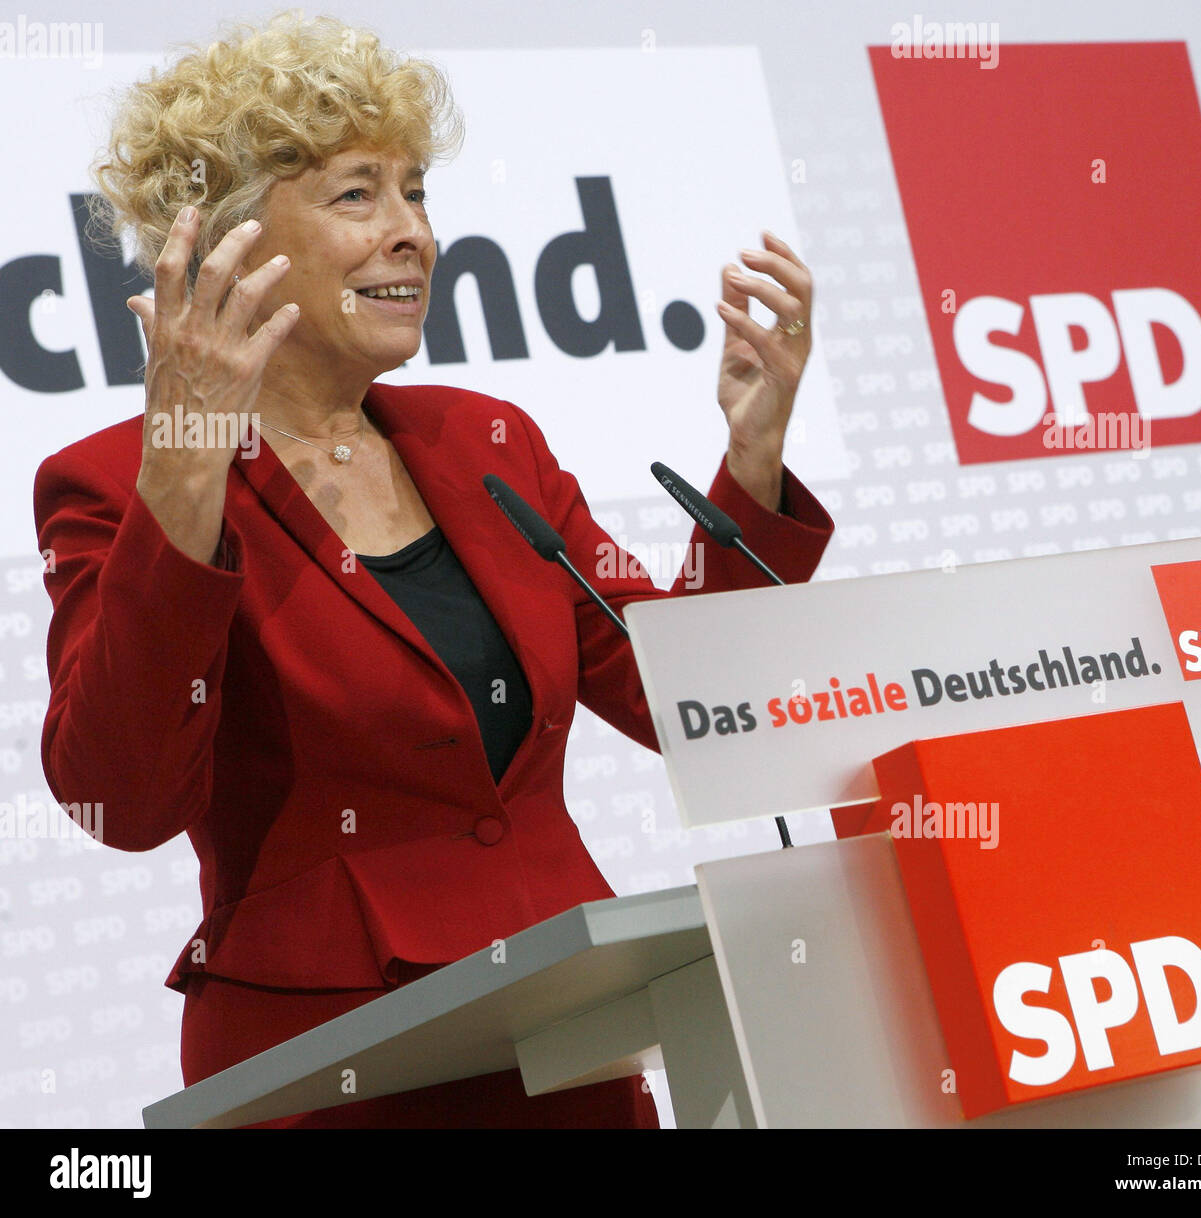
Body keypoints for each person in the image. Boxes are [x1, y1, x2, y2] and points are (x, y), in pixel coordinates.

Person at [34, 12, 835, 1128]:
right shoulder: (113, 483)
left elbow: (693, 702)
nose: (412, 231)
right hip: (326, 1066)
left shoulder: (484, 441)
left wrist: (751, 461)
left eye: (417, 191)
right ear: (223, 244)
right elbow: (117, 796)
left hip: (571, 1037)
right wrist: (186, 464)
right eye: (357, 194)